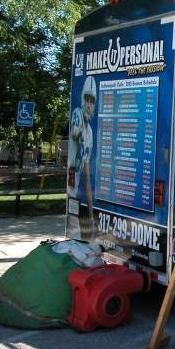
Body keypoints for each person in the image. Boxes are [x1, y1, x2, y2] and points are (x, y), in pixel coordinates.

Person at [67, 76, 96, 238]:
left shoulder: (90, 132)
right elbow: (75, 132)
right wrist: (80, 133)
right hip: (72, 179)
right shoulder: (77, 114)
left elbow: (86, 167)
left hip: (78, 181)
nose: (89, 105)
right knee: (74, 231)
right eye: (87, 99)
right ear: (82, 99)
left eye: (92, 101)